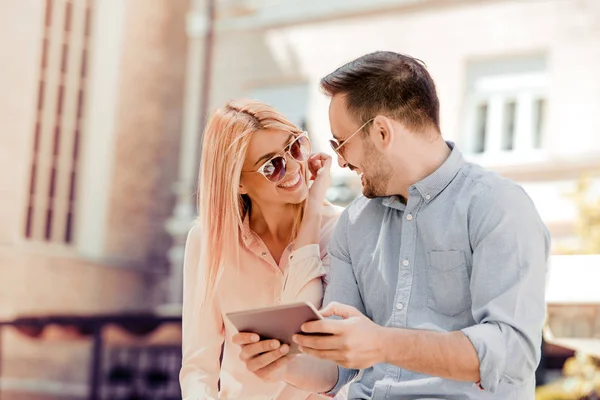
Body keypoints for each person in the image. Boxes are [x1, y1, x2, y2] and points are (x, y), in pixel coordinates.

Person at [233, 51, 551, 399]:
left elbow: (512, 355)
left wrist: (384, 344)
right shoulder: (354, 223)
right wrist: (284, 365)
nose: (340, 160)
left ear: (382, 132)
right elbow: (339, 365)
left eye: (341, 144)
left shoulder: (498, 206)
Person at [179, 99, 344, 399]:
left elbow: (299, 336)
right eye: (272, 165)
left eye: (295, 147)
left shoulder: (341, 232)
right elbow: (198, 367)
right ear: (239, 182)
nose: (293, 167)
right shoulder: (207, 241)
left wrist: (313, 212)